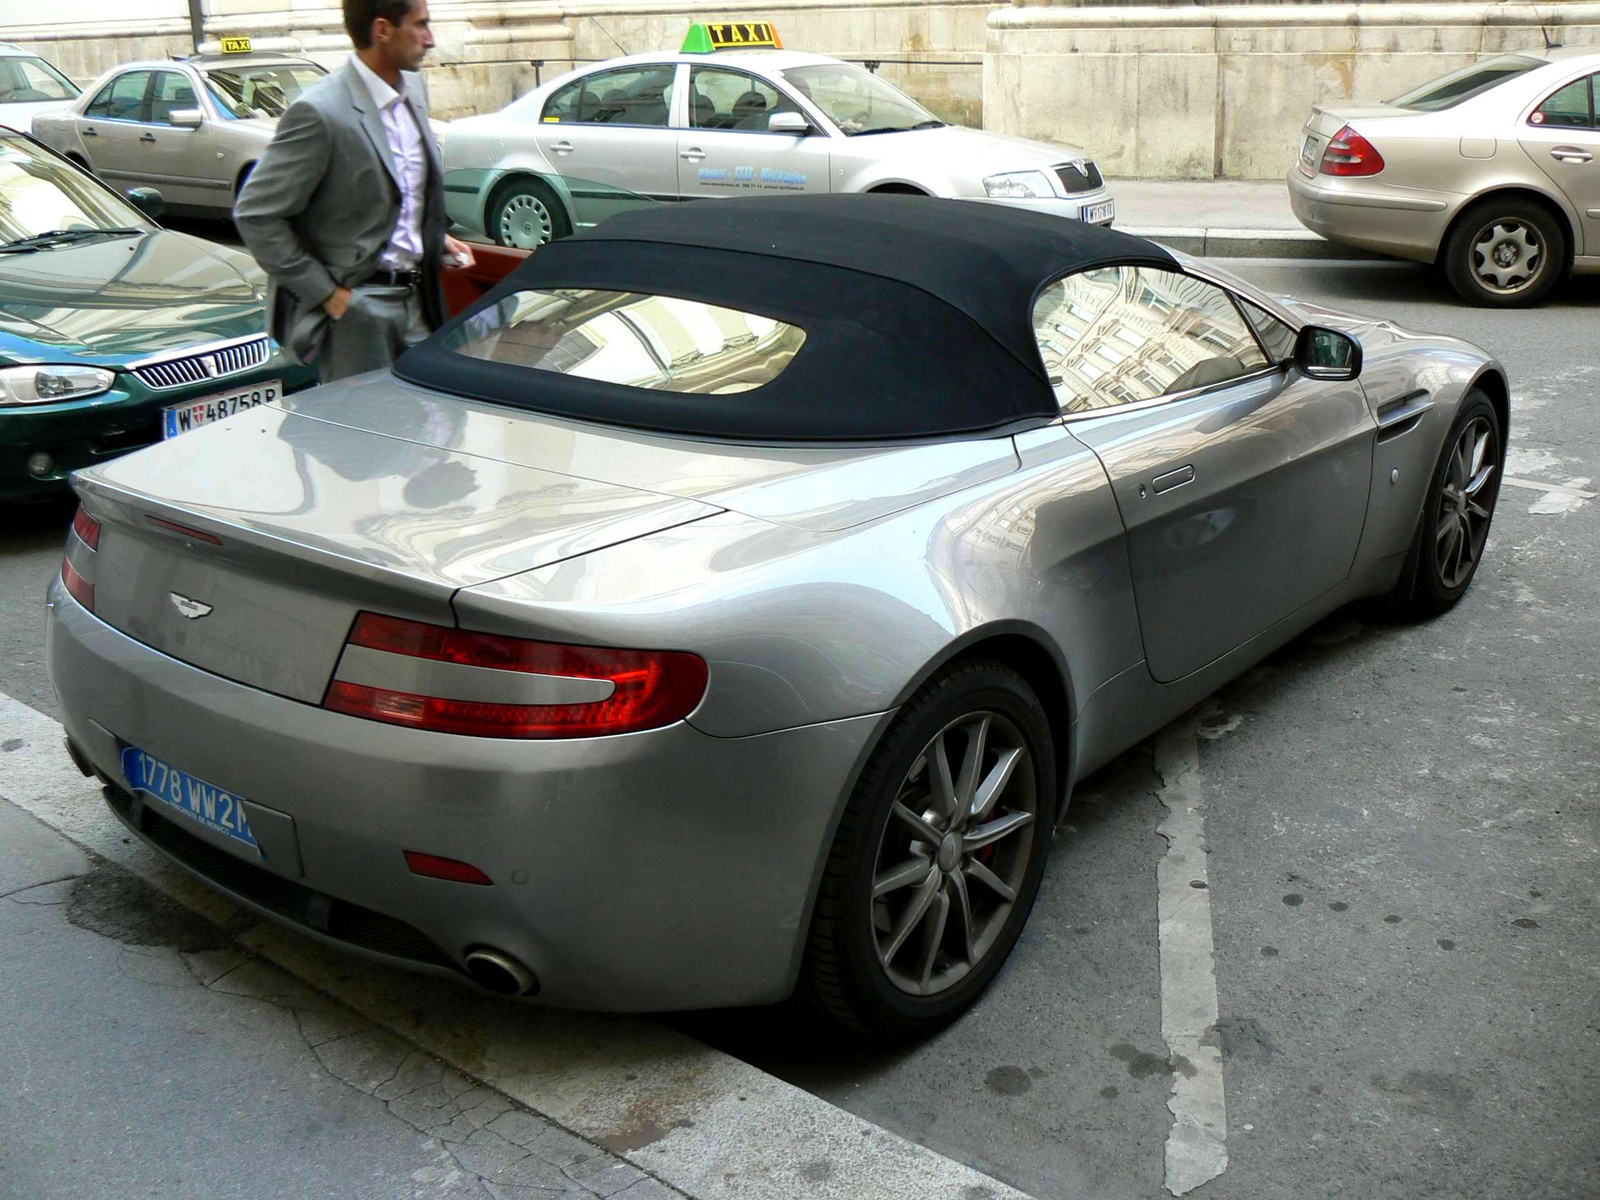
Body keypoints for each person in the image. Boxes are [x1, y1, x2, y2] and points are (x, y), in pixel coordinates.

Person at [235, 0, 476, 382]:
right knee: (367, 434)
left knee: (433, 427)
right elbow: (256, 214)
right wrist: (329, 295)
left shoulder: (413, 88)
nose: (430, 39)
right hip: (359, 310)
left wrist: (434, 237)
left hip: (421, 298)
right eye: (421, 25)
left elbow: (396, 188)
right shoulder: (320, 112)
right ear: (382, 30)